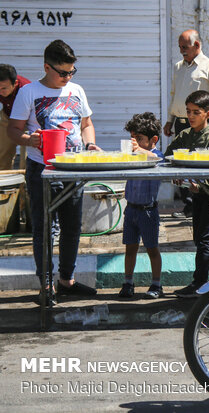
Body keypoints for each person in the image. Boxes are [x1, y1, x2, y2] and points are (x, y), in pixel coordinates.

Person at [7, 39, 100, 305]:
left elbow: (86, 124)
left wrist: (90, 141)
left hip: (73, 168)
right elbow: (13, 130)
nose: (67, 77)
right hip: (41, 168)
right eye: (62, 72)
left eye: (71, 72)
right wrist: (29, 140)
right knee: (45, 229)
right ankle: (46, 285)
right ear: (46, 67)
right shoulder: (28, 92)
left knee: (72, 228)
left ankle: (66, 281)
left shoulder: (77, 90)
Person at [164, 90, 209, 298]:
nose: (190, 116)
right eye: (188, 112)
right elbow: (169, 157)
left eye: (196, 112)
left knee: (203, 239)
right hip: (197, 197)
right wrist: (176, 172)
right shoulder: (184, 135)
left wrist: (202, 186)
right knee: (200, 238)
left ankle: (200, 283)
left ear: (208, 114)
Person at [164, 29, 209, 219]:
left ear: (197, 45)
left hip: (202, 125)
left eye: (185, 47)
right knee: (180, 164)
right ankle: (188, 206)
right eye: (179, 47)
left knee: (199, 165)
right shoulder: (178, 67)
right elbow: (174, 95)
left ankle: (201, 204)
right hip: (182, 124)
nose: (182, 51)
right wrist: (170, 120)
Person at [118, 112, 165, 299]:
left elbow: (157, 160)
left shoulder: (155, 155)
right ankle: (128, 283)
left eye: (139, 138)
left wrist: (139, 151)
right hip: (131, 210)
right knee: (130, 248)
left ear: (153, 139)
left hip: (148, 211)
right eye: (133, 138)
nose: (134, 142)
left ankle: (156, 284)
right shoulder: (132, 155)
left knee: (152, 248)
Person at [0, 64, 31, 171]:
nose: (0, 92)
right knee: (3, 152)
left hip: (27, 119)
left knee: (27, 157)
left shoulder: (27, 89)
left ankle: (25, 186)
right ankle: (3, 184)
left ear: (15, 83)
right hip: (7, 116)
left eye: (4, 88)